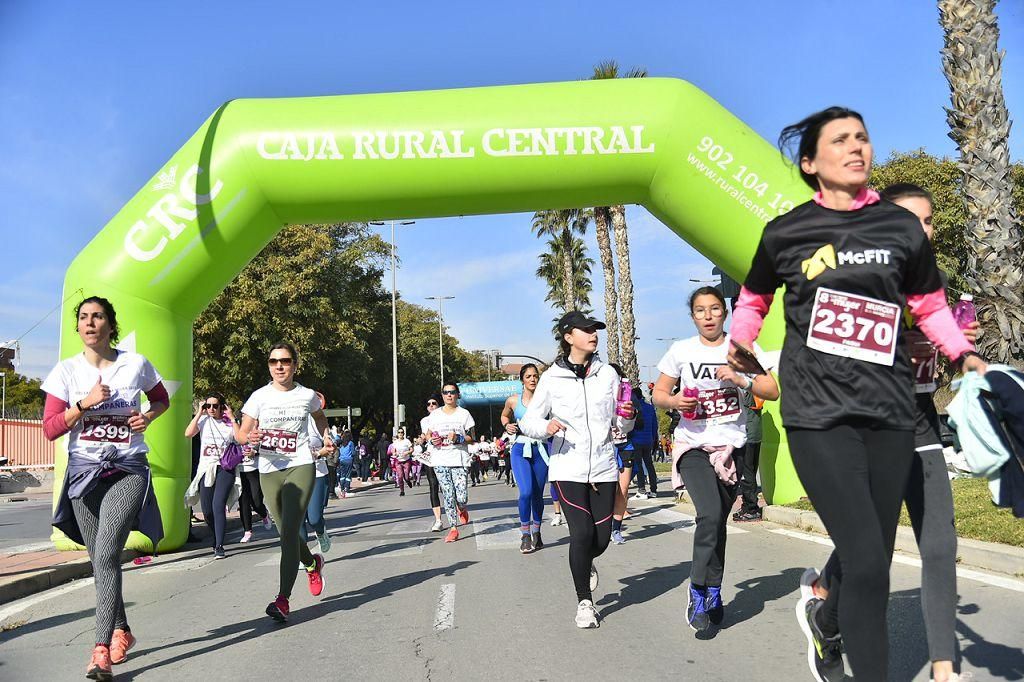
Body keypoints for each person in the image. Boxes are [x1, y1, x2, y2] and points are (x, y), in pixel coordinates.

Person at [727, 107, 986, 681]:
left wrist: (961, 353)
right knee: (868, 558)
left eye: (863, 137)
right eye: (840, 139)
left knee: (875, 555)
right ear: (810, 162)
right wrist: (741, 338)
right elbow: (752, 299)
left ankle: (826, 618)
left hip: (890, 414)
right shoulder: (786, 231)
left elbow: (929, 307)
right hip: (818, 415)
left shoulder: (897, 228)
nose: (856, 146)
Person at [802, 183, 979, 682]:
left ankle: (945, 669)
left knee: (940, 545)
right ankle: (825, 619)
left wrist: (957, 344)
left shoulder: (935, 283)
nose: (921, 230)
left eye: (926, 221)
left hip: (919, 423)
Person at [43, 296, 170, 678]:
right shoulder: (66, 371)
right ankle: (123, 630)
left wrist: (147, 416)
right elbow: (50, 429)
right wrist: (85, 403)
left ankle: (100, 650)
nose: (90, 322)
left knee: (109, 547)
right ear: (78, 327)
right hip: (84, 474)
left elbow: (162, 399)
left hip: (128, 468)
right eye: (83, 317)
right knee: (100, 558)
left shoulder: (135, 364)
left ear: (111, 325)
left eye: (98, 316)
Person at [653, 286, 779, 632]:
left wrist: (740, 379)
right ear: (692, 316)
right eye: (700, 311)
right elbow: (659, 394)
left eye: (713, 309)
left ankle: (714, 591)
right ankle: (696, 590)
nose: (707, 316)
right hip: (693, 446)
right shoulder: (681, 350)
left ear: (724, 313)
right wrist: (676, 402)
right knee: (708, 513)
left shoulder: (740, 349)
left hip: (731, 449)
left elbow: (772, 390)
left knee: (717, 523)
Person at [520, 311, 635, 629]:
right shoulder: (551, 378)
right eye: (586, 329)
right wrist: (547, 426)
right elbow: (528, 421)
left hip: (603, 467)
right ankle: (585, 602)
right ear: (568, 336)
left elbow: (622, 424)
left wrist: (627, 416)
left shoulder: (608, 374)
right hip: (566, 468)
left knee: (600, 540)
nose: (593, 334)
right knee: (581, 533)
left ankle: (585, 562)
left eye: (595, 329)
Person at [238, 342, 335, 623]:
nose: (279, 366)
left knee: (291, 531)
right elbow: (243, 434)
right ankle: (311, 562)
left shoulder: (306, 396)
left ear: (295, 364)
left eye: (285, 361)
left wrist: (326, 435)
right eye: (273, 361)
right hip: (269, 468)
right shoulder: (258, 397)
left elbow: (319, 417)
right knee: (286, 534)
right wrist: (250, 438)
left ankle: (282, 599)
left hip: (300, 465)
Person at [184, 391, 240, 559]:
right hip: (206, 468)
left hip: (225, 467)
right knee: (207, 511)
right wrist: (199, 412)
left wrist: (232, 418)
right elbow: (188, 433)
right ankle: (216, 536)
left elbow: (239, 438)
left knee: (218, 505)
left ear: (222, 406)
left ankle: (219, 545)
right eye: (208, 406)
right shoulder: (203, 420)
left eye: (215, 406)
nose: (211, 409)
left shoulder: (229, 423)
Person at [502, 363, 551, 554]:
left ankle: (537, 533)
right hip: (520, 448)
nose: (532, 379)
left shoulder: (545, 401)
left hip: (540, 449)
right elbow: (504, 416)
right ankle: (525, 535)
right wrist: (507, 425)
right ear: (522, 379)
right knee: (526, 492)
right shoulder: (513, 401)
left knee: (538, 494)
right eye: (528, 376)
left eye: (535, 376)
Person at [422, 382, 475, 543]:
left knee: (461, 496)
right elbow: (428, 435)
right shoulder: (435, 415)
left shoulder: (464, 414)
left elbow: (472, 437)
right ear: (443, 395)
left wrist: (458, 438)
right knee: (448, 494)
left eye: (452, 392)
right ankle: (453, 528)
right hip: (440, 460)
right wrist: (433, 440)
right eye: (446, 392)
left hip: (459, 460)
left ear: (457, 395)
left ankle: (462, 508)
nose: (449, 395)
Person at [304, 399, 334, 554]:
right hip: (290, 474)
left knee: (314, 518)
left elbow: (329, 446)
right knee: (297, 519)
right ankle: (302, 555)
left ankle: (321, 532)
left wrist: (320, 452)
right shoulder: (279, 421)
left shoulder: (314, 420)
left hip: (316, 472)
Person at [732, 391, 765, 522]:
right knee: (751, 471)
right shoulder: (757, 391)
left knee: (747, 475)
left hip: (747, 435)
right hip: (756, 435)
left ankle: (751, 509)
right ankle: (748, 505)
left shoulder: (746, 392)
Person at [417, 393, 445, 532]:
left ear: (439, 404)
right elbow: (426, 436)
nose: (431, 406)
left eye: (434, 403)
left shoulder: (446, 416)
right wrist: (420, 440)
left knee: (447, 487)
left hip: (446, 455)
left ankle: (458, 508)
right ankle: (438, 520)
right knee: (433, 486)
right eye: (428, 404)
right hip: (431, 456)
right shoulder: (424, 421)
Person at [237, 440, 272, 543]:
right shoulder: (234, 430)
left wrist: (255, 453)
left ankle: (264, 514)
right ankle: (247, 530)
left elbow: (267, 448)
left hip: (254, 470)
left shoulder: (256, 430)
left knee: (256, 501)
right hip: (239, 470)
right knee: (243, 502)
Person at [630, 387, 660, 499]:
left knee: (638, 465)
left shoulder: (634, 408)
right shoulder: (650, 408)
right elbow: (654, 425)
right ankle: (653, 489)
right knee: (649, 464)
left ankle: (641, 490)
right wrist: (653, 439)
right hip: (648, 440)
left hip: (636, 440)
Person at [392, 429, 413, 496]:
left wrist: (408, 452)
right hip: (398, 461)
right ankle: (402, 491)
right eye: (399, 432)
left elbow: (412, 449)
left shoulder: (407, 441)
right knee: (400, 476)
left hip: (406, 460)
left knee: (406, 476)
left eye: (402, 432)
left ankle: (408, 481)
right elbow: (393, 450)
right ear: (397, 434)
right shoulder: (395, 442)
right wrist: (395, 453)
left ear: (403, 433)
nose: (400, 434)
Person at [335, 430, 355, 498]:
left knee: (342, 475)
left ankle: (342, 489)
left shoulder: (341, 443)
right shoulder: (350, 443)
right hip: (349, 460)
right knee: (348, 475)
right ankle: (346, 489)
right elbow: (353, 452)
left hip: (341, 460)